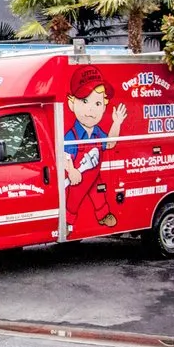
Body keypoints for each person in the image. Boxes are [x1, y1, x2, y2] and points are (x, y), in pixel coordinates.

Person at [63, 66, 127, 234]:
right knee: (73, 200)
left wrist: (116, 123)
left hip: (94, 173)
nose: (91, 109)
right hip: (79, 176)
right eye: (84, 101)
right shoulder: (73, 134)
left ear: (104, 107)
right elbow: (65, 155)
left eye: (97, 103)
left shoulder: (98, 132)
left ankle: (103, 215)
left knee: (99, 193)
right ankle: (67, 224)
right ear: (72, 103)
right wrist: (72, 170)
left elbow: (110, 143)